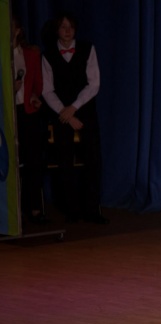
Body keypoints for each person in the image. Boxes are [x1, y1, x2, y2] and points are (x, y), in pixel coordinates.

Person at [41, 13, 107, 224]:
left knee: (93, 160)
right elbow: (47, 90)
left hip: (85, 112)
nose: (67, 30)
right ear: (57, 30)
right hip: (61, 115)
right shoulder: (48, 55)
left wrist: (74, 107)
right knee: (65, 162)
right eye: (63, 27)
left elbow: (94, 84)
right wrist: (66, 114)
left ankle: (93, 210)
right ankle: (72, 210)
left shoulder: (87, 48)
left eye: (70, 26)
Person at [12, 15, 46, 223]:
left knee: (33, 160)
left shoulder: (31, 54)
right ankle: (11, 211)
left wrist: (34, 95)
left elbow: (38, 84)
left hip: (27, 113)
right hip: (6, 114)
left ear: (18, 31)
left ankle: (33, 208)